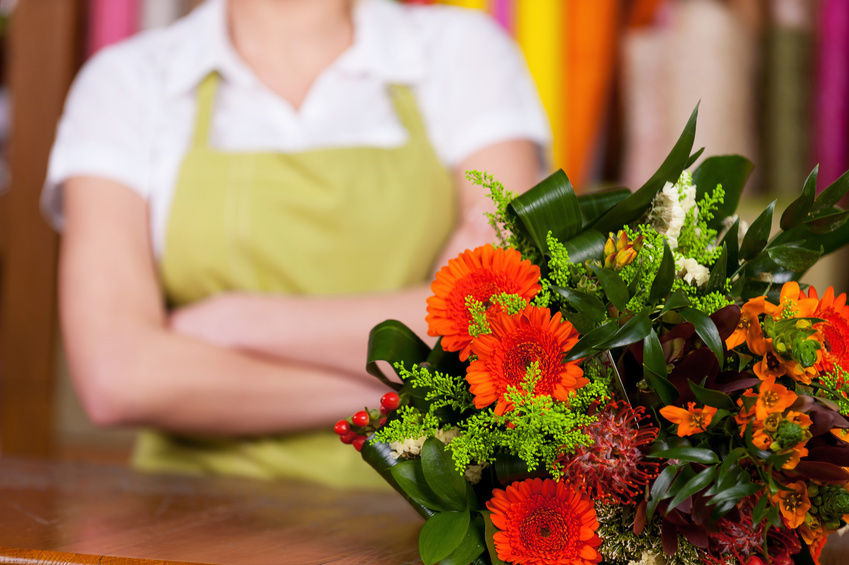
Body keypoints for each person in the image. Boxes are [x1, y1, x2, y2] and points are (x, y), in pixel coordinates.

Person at [43, 0, 549, 488]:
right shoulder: (126, 83)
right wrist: (418, 390)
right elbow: (117, 378)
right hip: (188, 514)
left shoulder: (463, 51)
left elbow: (500, 308)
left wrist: (240, 322)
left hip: (430, 511)